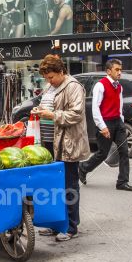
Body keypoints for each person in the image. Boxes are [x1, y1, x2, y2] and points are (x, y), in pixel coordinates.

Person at [32, 55, 90, 241]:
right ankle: (56, 224)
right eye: (46, 78)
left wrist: (51, 114)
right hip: (49, 143)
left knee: (69, 186)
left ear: (61, 71)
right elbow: (45, 105)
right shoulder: (51, 87)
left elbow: (76, 114)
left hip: (67, 144)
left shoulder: (73, 86)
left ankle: (71, 227)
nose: (48, 81)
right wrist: (39, 110)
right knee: (53, 186)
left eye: (51, 77)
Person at [79, 59, 132, 192]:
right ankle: (83, 167)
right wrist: (102, 126)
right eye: (117, 70)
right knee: (103, 154)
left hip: (118, 122)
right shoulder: (101, 85)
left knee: (124, 152)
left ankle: (122, 182)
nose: (119, 72)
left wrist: (121, 120)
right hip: (106, 123)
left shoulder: (119, 87)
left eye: (120, 70)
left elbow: (119, 104)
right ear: (108, 71)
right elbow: (95, 107)